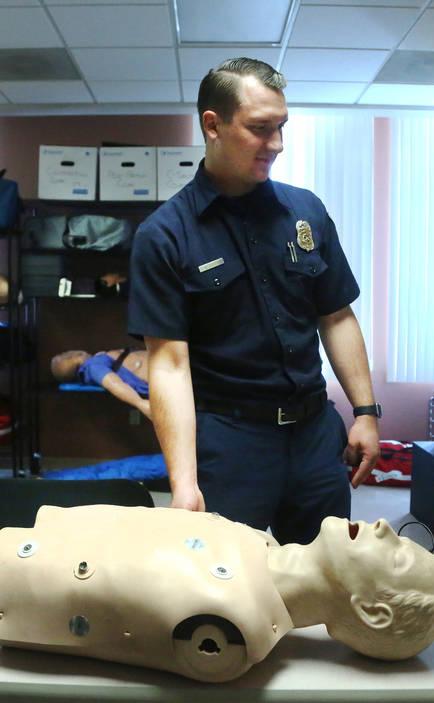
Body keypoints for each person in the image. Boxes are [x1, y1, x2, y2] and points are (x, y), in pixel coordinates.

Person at [127, 57, 380, 544]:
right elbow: (169, 366)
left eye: (282, 127)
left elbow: (337, 316)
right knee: (224, 589)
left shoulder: (305, 211)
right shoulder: (165, 235)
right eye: (261, 129)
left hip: (313, 435)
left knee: (326, 575)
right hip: (229, 440)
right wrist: (183, 483)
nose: (278, 145)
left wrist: (366, 412)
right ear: (213, 125)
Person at [0, 505, 434, 683]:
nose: (388, 525)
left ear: (372, 612)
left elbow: (99, 596)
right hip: (42, 538)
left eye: (396, 557)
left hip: (18, 575)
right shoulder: (257, 542)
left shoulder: (227, 630)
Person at [49, 347, 150, 419]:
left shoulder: (95, 363)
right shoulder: (93, 366)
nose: (69, 351)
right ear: (71, 357)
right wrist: (140, 403)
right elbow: (114, 384)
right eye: (66, 354)